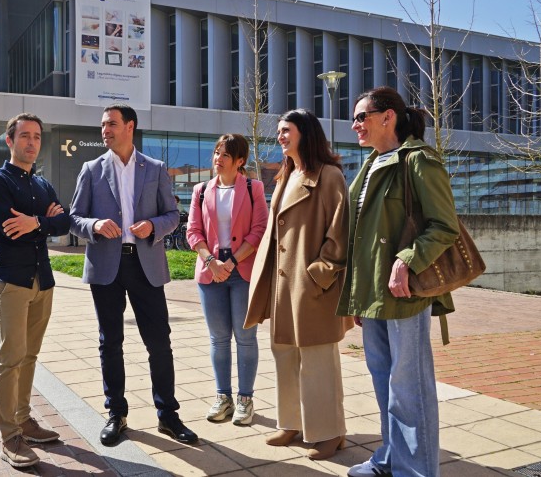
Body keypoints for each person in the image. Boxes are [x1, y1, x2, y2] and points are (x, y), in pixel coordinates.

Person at [338, 87, 460, 477]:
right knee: (385, 384)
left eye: (362, 117)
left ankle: (416, 471)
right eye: (354, 118)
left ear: (387, 116)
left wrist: (407, 260)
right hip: (374, 294)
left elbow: (445, 227)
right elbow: (361, 236)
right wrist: (359, 296)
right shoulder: (370, 163)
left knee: (410, 388)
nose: (355, 124)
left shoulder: (419, 160)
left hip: (405, 294)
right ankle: (390, 459)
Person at [69, 103, 198, 446]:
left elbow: (173, 215)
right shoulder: (91, 169)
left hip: (146, 266)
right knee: (110, 342)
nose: (105, 130)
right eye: (102, 125)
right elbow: (74, 217)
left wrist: (152, 226)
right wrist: (94, 224)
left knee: (159, 342)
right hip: (106, 267)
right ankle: (116, 414)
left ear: (130, 126)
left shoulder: (154, 168)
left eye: (111, 124)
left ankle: (168, 416)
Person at [244, 109, 352, 460]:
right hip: (281, 286)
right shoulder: (286, 175)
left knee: (319, 360)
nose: (280, 136)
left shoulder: (329, 176)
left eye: (286, 130)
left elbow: (341, 233)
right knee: (284, 354)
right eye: (278, 131)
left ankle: (330, 432)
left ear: (305, 132)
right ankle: (291, 422)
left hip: (311, 286)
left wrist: (319, 274)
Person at [0, 113, 71, 468]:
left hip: (42, 281)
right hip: (11, 282)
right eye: (24, 136)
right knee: (10, 358)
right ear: (10, 140)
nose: (32, 143)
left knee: (30, 356)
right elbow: (7, 229)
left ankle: (24, 418)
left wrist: (36, 221)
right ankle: (9, 435)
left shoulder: (42, 185)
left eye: (36, 137)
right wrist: (45, 223)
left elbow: (63, 221)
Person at [186, 133, 267, 426]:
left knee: (245, 338)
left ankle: (246, 399)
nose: (218, 160)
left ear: (240, 161)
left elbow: (259, 230)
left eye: (225, 156)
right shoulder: (201, 190)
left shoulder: (252, 187)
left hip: (242, 271)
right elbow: (192, 232)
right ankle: (223, 397)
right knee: (218, 338)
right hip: (211, 272)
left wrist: (231, 262)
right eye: (217, 154)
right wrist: (211, 262)